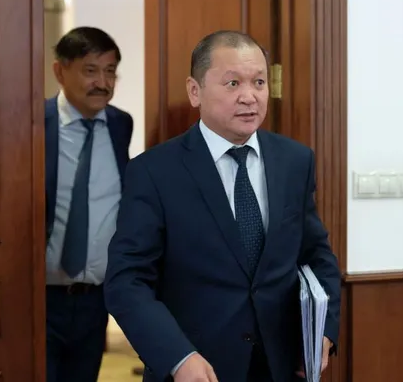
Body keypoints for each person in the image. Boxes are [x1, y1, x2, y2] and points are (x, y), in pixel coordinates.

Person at [104, 30, 341, 382]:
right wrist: (177, 357)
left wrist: (324, 331)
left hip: (281, 365)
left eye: (259, 82)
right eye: (233, 83)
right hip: (196, 367)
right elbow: (127, 281)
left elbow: (316, 256)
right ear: (195, 91)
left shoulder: (294, 161)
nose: (249, 96)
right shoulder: (153, 172)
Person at [44, 26, 133, 382]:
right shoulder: (33, 123)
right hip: (39, 298)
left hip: (95, 300)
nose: (103, 83)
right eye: (91, 70)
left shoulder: (120, 125)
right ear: (60, 71)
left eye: (110, 71)